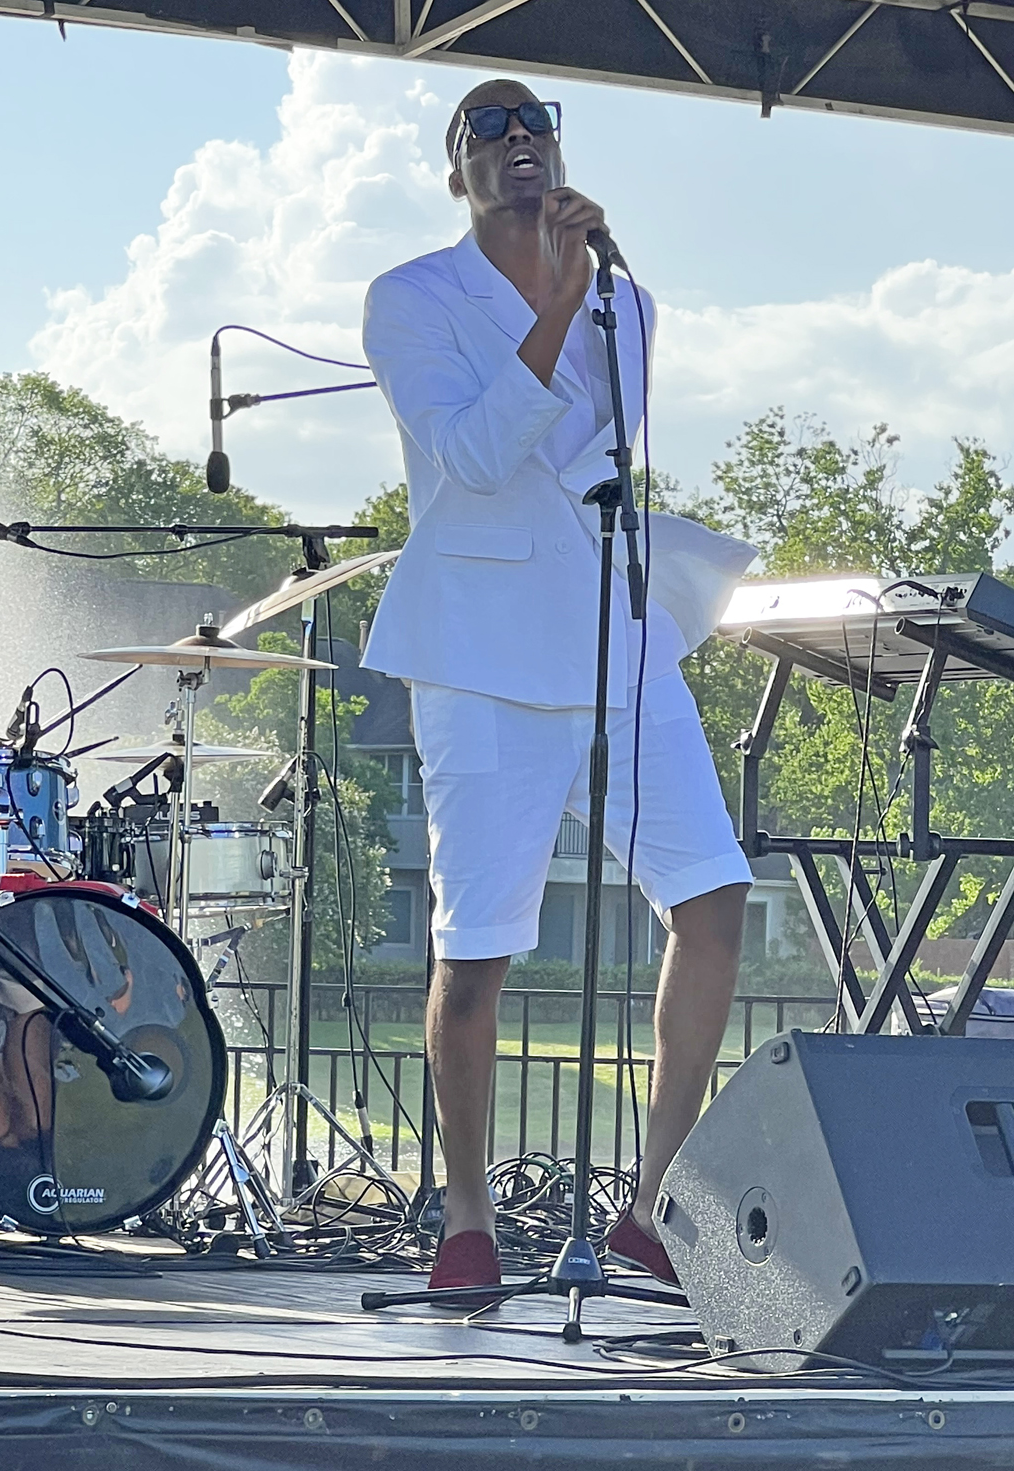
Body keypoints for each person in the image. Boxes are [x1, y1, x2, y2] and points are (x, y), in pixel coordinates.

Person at [360, 80, 758, 1291]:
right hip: (479, 652)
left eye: (534, 126)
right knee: (474, 950)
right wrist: (557, 301)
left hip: (611, 630)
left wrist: (587, 292)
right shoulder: (408, 299)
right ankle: (467, 1218)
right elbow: (477, 455)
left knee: (712, 896)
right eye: (488, 130)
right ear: (454, 171)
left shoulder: (625, 301)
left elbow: (603, 459)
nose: (517, 142)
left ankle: (650, 1201)